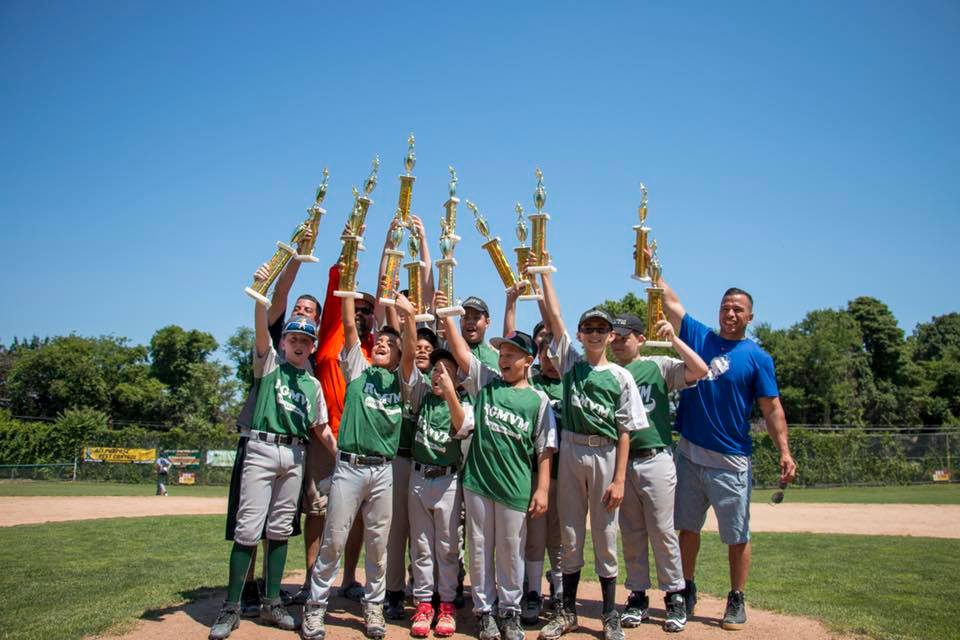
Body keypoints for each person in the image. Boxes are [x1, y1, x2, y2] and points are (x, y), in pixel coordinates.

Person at [657, 273, 797, 631]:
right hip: (688, 454)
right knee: (686, 530)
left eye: (738, 309)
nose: (730, 313)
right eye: (725, 307)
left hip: (731, 461)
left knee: (736, 536)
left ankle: (736, 597)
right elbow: (670, 302)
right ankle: (686, 591)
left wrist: (785, 451)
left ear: (750, 317)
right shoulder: (700, 336)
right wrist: (648, 261)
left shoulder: (757, 357)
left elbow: (772, 408)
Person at [208, 267, 331, 640]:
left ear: (312, 347)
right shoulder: (269, 364)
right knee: (247, 528)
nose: (297, 343)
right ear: (283, 342)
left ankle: (272, 600)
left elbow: (320, 428)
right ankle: (230, 607)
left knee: (279, 529)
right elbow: (263, 327)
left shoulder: (311, 383)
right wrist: (261, 295)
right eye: (293, 337)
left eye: (305, 340)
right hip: (261, 447)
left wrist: (341, 455)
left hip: (294, 455)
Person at [535, 267, 648, 640]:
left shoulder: (620, 376)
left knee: (605, 535)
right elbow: (554, 316)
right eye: (590, 329)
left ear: (611, 334)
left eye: (602, 329)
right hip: (570, 448)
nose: (596, 334)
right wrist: (545, 275)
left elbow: (626, 430)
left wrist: (619, 479)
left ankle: (610, 614)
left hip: (604, 453)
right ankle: (566, 612)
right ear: (581, 335)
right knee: (570, 535)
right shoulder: (571, 363)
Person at [437, 289, 557, 640]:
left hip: (515, 487)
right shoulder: (487, 384)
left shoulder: (538, 400)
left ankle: (511, 610)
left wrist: (543, 488)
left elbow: (544, 449)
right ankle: (485, 611)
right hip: (478, 482)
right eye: (502, 353)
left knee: (510, 551)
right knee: (479, 549)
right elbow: (462, 354)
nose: (504, 358)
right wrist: (446, 315)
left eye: (512, 354)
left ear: (527, 361)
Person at [301, 289, 405, 640]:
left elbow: (405, 343)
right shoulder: (358, 368)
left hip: (382, 470)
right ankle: (315, 607)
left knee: (378, 543)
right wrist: (348, 279)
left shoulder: (402, 382)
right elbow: (349, 324)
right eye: (379, 342)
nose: (381, 345)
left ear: (398, 355)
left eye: (389, 345)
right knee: (334, 539)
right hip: (350, 466)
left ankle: (374, 607)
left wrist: (398, 317)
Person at [609, 313, 708, 632]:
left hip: (656, 457)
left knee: (663, 531)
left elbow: (700, 370)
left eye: (626, 336)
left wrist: (673, 340)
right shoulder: (607, 373)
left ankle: (675, 594)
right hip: (622, 463)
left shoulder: (658, 364)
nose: (619, 342)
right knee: (632, 532)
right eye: (616, 336)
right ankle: (638, 595)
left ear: (640, 338)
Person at [397, 295, 470, 637]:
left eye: (447, 368)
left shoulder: (463, 401)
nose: (439, 372)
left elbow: (461, 426)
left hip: (448, 480)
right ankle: (424, 604)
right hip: (419, 477)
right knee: (422, 546)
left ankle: (448, 604)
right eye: (437, 368)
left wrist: (451, 388)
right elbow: (410, 360)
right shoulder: (422, 394)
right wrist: (409, 318)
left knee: (447, 546)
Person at [502, 283, 561, 624]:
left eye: (553, 347)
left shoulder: (570, 377)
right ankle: (532, 592)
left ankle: (560, 591)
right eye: (543, 349)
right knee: (533, 539)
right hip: (530, 472)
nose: (549, 354)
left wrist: (542, 293)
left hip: (562, 473)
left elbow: (555, 325)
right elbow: (511, 337)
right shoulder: (531, 381)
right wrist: (512, 301)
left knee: (561, 538)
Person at [461, 296, 500, 372]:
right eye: (466, 318)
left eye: (476, 318)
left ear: (487, 323)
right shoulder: (449, 349)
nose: (470, 322)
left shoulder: (497, 356)